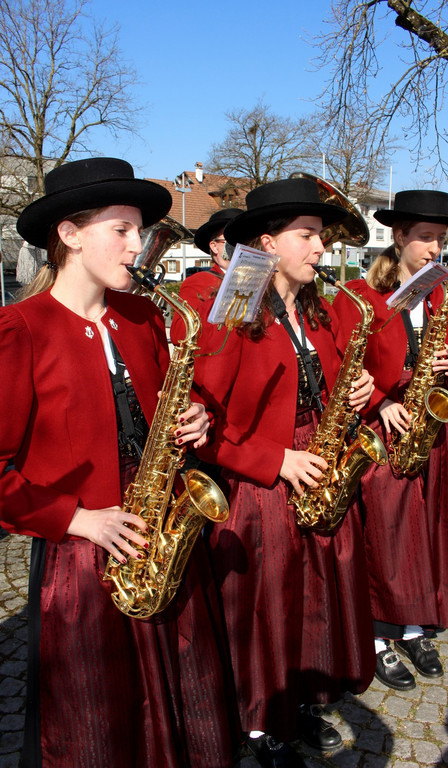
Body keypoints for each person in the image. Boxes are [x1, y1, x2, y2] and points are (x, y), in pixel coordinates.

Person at [0, 157, 239, 768]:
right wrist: (80, 521)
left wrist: (197, 421)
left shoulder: (142, 314)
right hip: (81, 556)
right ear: (70, 234)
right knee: (97, 720)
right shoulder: (20, 330)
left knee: (181, 695)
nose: (140, 246)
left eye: (141, 232)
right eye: (122, 230)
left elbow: (172, 403)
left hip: (158, 528)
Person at [190, 177, 376, 768]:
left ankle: (299, 702)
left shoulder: (318, 312)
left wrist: (360, 394)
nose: (321, 249)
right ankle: (256, 728)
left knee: (315, 595)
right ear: (268, 243)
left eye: (319, 236)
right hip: (263, 485)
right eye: (309, 236)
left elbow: (329, 388)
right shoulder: (233, 314)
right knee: (266, 607)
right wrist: (277, 460)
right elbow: (205, 428)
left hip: (317, 465)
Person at [332, 190, 448, 692]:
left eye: (440, 239)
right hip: (388, 429)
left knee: (433, 530)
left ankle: (417, 626)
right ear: (398, 237)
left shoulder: (445, 292)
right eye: (426, 239)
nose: (435, 249)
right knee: (390, 534)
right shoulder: (361, 295)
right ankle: (377, 638)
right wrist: (380, 404)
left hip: (440, 428)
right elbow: (345, 367)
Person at [178, 207, 243, 308]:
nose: (240, 247)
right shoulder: (198, 283)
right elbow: (184, 323)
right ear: (214, 246)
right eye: (231, 241)